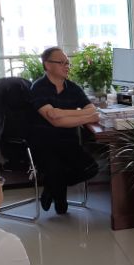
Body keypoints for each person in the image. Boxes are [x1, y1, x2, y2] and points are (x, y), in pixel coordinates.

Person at [28, 46, 101, 214]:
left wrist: (61, 113)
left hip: (69, 142)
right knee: (56, 171)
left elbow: (92, 110)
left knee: (92, 168)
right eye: (61, 62)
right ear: (47, 65)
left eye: (67, 63)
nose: (67, 66)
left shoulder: (73, 88)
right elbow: (54, 120)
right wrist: (85, 117)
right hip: (44, 144)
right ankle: (57, 191)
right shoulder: (38, 88)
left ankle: (51, 188)